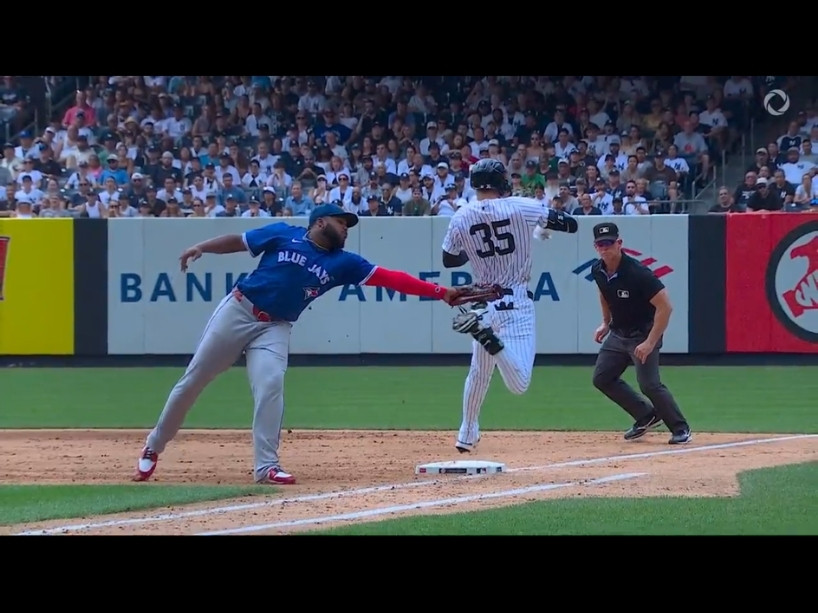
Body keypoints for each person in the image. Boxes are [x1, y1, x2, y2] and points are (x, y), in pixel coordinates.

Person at [133, 203, 468, 485]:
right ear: (320, 222)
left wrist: (440, 292)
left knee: (270, 383)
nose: (346, 228)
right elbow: (239, 241)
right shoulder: (284, 233)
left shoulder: (345, 262)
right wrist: (202, 246)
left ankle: (266, 468)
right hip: (239, 309)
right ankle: (154, 445)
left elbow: (391, 279)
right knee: (194, 380)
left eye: (348, 224)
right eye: (341, 222)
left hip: (275, 327)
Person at [441, 158, 578, 453]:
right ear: (502, 181)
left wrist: (475, 251)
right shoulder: (521, 205)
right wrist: (542, 227)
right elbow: (571, 224)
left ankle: (466, 433)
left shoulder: (461, 215)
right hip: (515, 300)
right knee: (519, 384)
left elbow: (449, 259)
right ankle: (495, 344)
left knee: (479, 373)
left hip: (483, 301)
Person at [589, 222, 692, 444]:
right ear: (595, 246)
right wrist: (605, 323)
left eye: (609, 243)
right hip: (618, 333)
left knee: (649, 384)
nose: (605, 248)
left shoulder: (637, 273)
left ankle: (680, 428)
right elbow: (604, 293)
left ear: (619, 243)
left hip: (643, 334)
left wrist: (650, 342)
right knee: (602, 378)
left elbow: (666, 307)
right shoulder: (597, 270)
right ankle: (646, 415)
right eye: (600, 244)